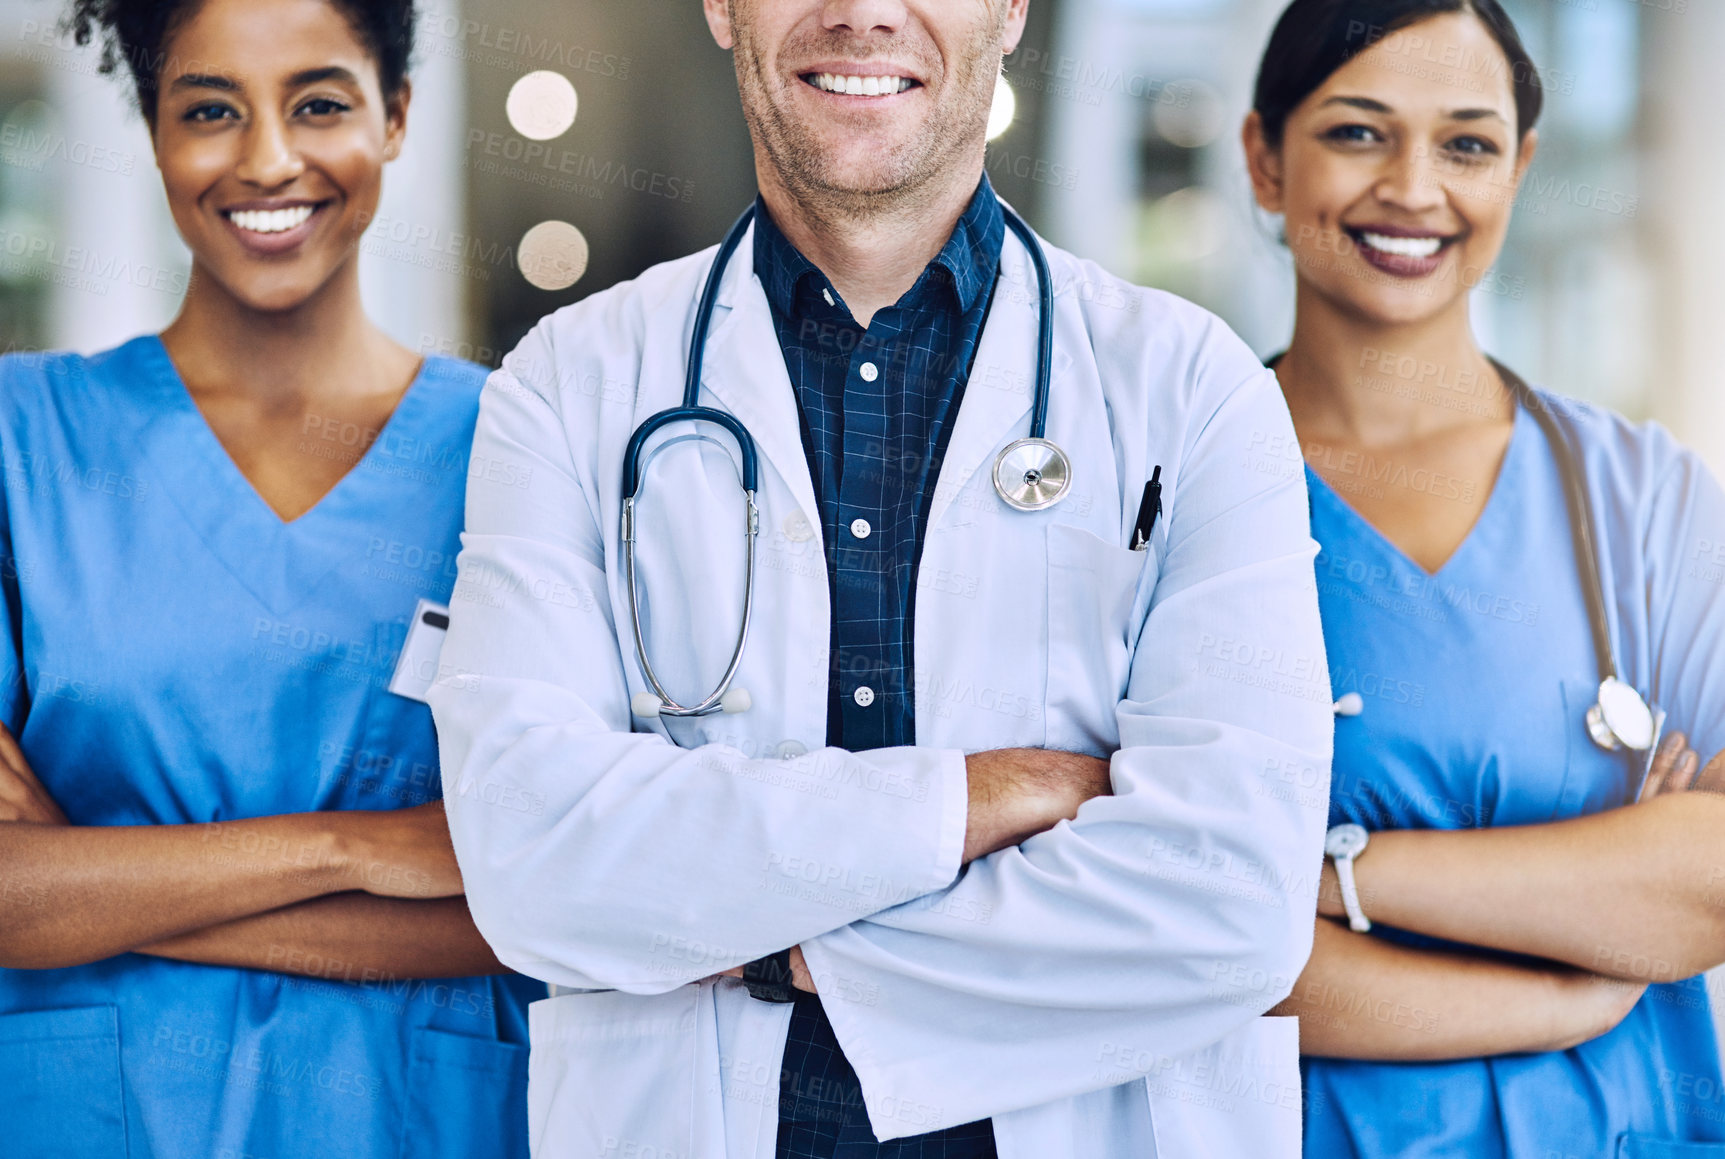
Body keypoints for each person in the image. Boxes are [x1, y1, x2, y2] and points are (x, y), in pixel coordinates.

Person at [430, 0, 1334, 1156]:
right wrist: (982, 797)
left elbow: (1233, 901)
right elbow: (532, 858)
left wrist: (773, 943)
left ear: (1010, 9)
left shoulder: (1196, 391)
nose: (861, 12)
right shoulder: (565, 386)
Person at [0, 0, 541, 1155]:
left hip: (423, 1121)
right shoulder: (19, 442)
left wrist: (93, 890)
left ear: (394, 117)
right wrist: (367, 848)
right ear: (153, 131)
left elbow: (558, 899)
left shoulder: (521, 450)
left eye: (320, 104)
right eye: (209, 110)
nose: (268, 160)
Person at [1240, 1, 1725, 1154]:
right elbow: (1165, 934)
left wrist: (1333, 872)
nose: (1415, 189)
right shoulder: (1173, 499)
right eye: (1359, 133)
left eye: (1466, 143)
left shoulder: (1646, 500)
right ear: (1265, 158)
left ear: (1521, 169)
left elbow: (1711, 884)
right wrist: (1572, 981)